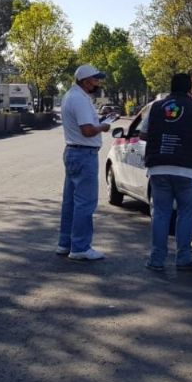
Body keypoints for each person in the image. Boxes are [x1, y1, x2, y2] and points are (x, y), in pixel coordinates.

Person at [138, 74, 192, 272]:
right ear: (190, 90)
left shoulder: (156, 107)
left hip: (158, 167)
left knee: (160, 214)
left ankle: (156, 260)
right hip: (187, 170)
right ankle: (184, 258)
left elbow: (143, 134)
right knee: (186, 214)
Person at [58, 64, 111, 261]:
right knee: (85, 202)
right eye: (95, 79)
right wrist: (103, 127)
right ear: (86, 80)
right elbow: (87, 130)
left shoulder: (70, 96)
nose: (98, 82)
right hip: (84, 153)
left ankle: (65, 243)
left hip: (73, 151)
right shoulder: (80, 99)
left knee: (70, 202)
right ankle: (80, 246)